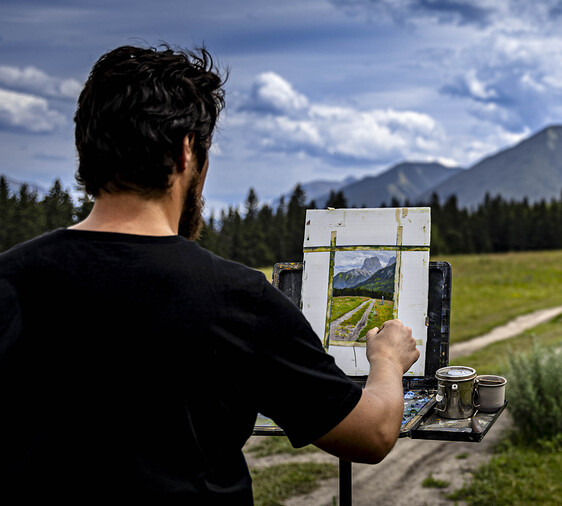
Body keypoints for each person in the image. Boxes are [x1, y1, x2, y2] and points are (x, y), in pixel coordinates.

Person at [0, 44, 419, 504]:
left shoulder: (9, 279)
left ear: (87, 150)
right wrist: (386, 360)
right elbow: (372, 433)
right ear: (186, 152)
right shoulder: (237, 298)